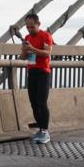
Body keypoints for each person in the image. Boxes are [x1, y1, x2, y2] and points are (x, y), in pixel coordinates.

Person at [21, 13, 54, 144]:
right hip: (32, 72)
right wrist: (25, 50)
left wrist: (32, 49)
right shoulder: (27, 37)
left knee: (41, 102)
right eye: (27, 27)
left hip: (43, 72)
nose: (29, 29)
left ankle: (45, 131)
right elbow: (22, 57)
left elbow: (47, 53)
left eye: (32, 27)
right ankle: (40, 130)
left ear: (38, 24)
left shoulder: (45, 36)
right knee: (33, 103)